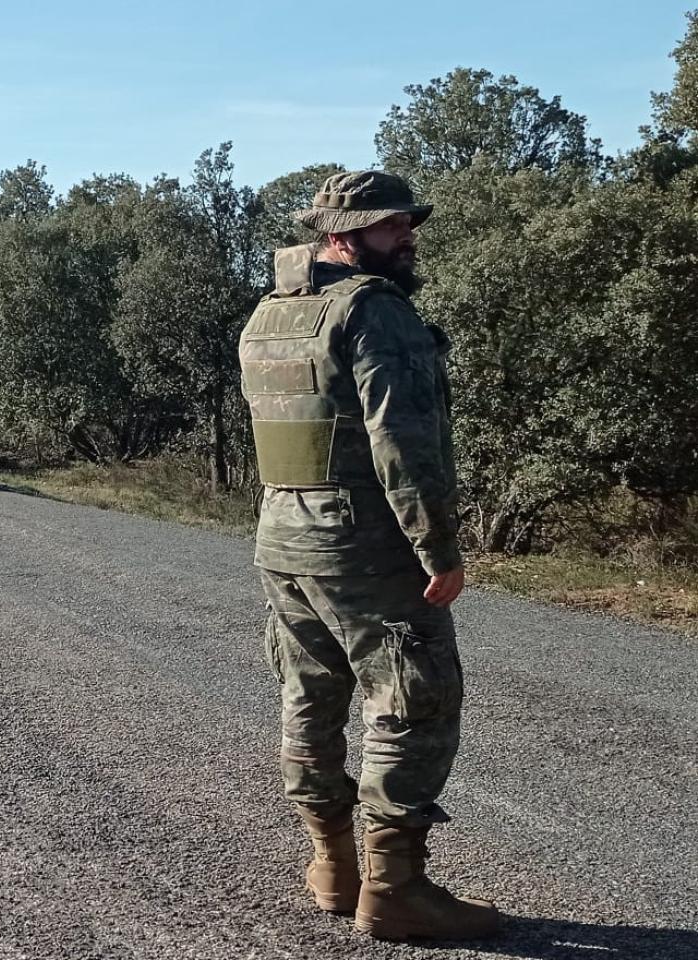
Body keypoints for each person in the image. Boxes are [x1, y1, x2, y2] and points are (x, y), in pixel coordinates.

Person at [238, 170, 498, 941]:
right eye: (391, 227)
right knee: (414, 703)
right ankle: (396, 888)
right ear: (342, 234)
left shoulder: (271, 313)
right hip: (365, 544)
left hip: (283, 536)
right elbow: (403, 442)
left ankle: (331, 866)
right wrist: (437, 546)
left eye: (408, 223)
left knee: (309, 696)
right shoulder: (374, 313)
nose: (408, 236)